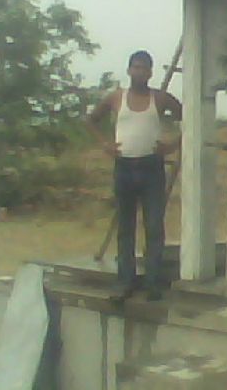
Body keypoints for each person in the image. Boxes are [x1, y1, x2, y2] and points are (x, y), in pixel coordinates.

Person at [88, 50, 182, 301]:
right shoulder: (116, 98)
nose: (140, 72)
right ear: (129, 70)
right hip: (125, 168)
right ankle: (124, 282)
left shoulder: (160, 99)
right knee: (126, 228)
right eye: (136, 67)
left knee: (153, 227)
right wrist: (105, 145)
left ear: (151, 72)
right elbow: (91, 120)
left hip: (152, 167)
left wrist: (172, 145)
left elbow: (191, 117)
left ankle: (152, 282)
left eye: (145, 68)